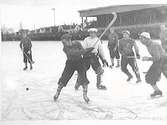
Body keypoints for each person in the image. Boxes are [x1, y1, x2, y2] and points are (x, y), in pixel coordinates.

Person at [53, 34, 93, 103]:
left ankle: (85, 95)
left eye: (64, 42)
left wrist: (87, 51)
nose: (64, 44)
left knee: (84, 78)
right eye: (63, 43)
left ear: (69, 40)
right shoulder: (65, 48)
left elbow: (82, 51)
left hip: (80, 62)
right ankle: (57, 93)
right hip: (70, 64)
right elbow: (75, 53)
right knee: (64, 78)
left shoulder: (77, 43)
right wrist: (86, 50)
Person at [139, 32, 167, 98]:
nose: (140, 40)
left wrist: (147, 58)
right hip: (160, 61)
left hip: (163, 61)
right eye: (140, 38)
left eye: (142, 38)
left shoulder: (153, 45)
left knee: (150, 76)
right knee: (149, 77)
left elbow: (157, 57)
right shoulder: (148, 44)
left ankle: (157, 90)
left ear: (147, 38)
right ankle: (157, 91)